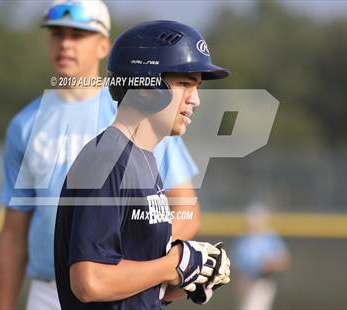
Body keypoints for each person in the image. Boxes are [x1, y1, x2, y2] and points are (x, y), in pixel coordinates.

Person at [0, 1, 203, 309]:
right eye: (57, 34)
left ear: (104, 46)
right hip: (50, 288)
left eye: (78, 34)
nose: (65, 43)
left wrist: (152, 268)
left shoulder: (141, 108)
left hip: (119, 283)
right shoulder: (25, 125)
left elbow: (185, 210)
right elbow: (14, 234)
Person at [54, 20, 232, 309]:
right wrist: (174, 263)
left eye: (196, 87)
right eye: (185, 84)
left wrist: (185, 280)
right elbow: (90, 282)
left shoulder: (142, 159)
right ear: (146, 86)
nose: (195, 100)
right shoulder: (106, 160)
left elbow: (130, 286)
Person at [231, 203, 291, 310]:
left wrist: (269, 264)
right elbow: (237, 266)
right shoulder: (243, 239)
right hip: (246, 282)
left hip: (263, 281)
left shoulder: (270, 237)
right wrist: (239, 285)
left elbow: (284, 259)